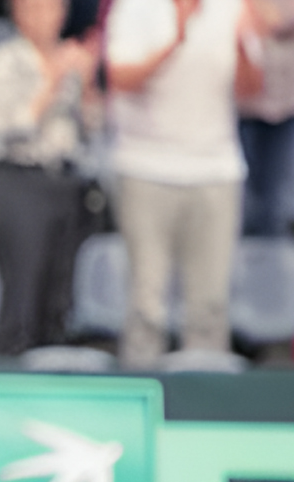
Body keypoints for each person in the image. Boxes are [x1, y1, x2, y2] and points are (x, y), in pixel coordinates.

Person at [105, 0, 264, 369]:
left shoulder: (232, 8)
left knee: (210, 306)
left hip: (215, 169)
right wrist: (176, 39)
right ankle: (143, 387)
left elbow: (251, 91)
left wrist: (244, 46)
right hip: (145, 167)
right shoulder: (134, 8)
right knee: (146, 304)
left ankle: (206, 398)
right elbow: (119, 79)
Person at [0, 0, 101, 355]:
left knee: (59, 301)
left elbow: (92, 130)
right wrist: (53, 80)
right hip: (20, 181)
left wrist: (88, 85)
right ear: (18, 14)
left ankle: (53, 376)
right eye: (34, 8)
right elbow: (3, 127)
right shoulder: (6, 60)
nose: (44, 16)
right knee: (22, 299)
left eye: (51, 7)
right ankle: (10, 375)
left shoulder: (73, 60)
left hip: (65, 181)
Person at [237, 0, 294, 236]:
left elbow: (275, 23)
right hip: (243, 103)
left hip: (285, 102)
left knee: (275, 193)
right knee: (242, 191)